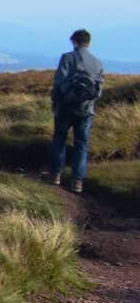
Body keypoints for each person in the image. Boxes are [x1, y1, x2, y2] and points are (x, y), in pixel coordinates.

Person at [46, 28, 105, 193]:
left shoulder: (67, 58)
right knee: (81, 144)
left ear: (74, 42)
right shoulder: (98, 62)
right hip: (86, 110)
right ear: (89, 42)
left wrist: (60, 100)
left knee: (59, 139)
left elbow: (59, 82)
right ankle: (77, 181)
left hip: (65, 108)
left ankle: (55, 175)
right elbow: (98, 91)